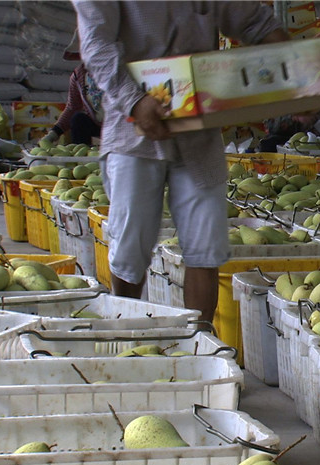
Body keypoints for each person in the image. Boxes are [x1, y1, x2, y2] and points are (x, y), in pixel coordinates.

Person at [74, 1, 288, 323]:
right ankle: (125, 328)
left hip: (198, 133)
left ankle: (199, 341)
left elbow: (255, 21)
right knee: (131, 247)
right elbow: (96, 43)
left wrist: (299, 73)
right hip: (133, 131)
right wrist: (135, 100)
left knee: (205, 249)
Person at [39, 32, 104, 147]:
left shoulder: (116, 69)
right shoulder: (79, 75)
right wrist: (54, 133)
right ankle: (82, 156)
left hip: (119, 122)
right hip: (97, 123)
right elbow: (72, 107)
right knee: (78, 119)